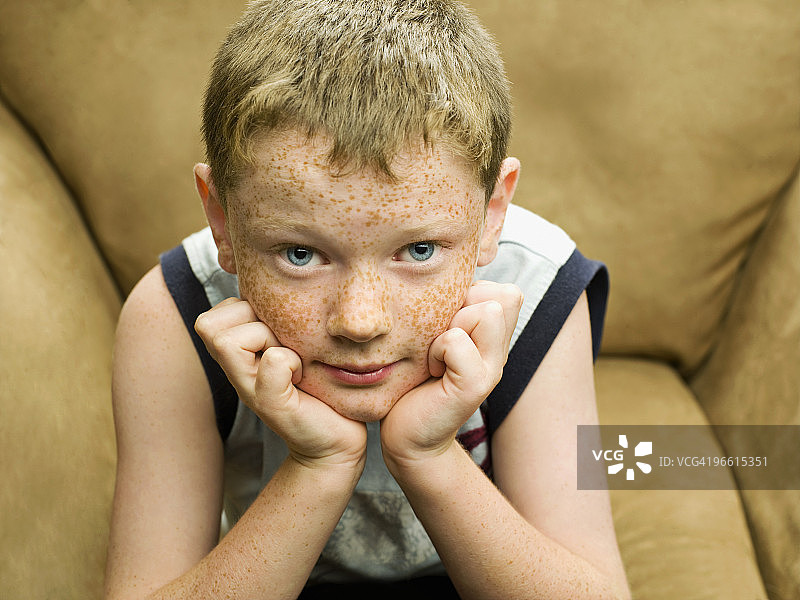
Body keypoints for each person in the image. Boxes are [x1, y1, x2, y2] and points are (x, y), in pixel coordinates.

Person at [104, 1, 630, 598]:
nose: (360, 321)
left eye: (421, 250)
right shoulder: (176, 312)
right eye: (300, 255)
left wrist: (430, 456)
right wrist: (318, 465)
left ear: (491, 215)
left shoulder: (536, 291)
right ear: (221, 218)